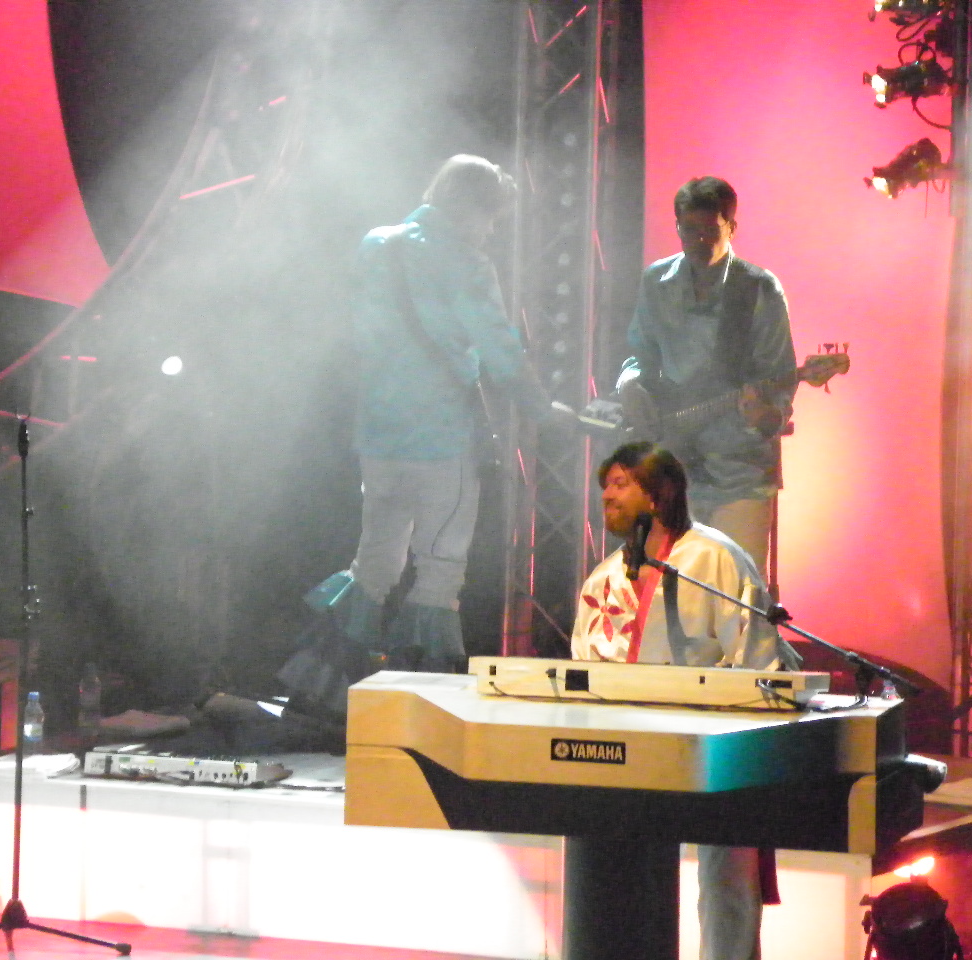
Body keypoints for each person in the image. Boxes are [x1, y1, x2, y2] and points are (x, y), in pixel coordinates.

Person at [324, 154, 560, 672]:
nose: (490, 231)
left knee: (374, 561)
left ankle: (333, 682)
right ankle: (419, 685)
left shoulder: (377, 244)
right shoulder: (467, 263)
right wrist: (540, 407)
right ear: (470, 208)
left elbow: (358, 335)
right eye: (490, 217)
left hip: (378, 436)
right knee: (440, 567)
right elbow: (498, 348)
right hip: (440, 438)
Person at [570, 440, 800, 960]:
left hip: (717, 750)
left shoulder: (713, 559)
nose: (606, 496)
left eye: (621, 483)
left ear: (659, 493)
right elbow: (585, 669)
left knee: (726, 882)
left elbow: (759, 659)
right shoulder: (604, 579)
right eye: (604, 485)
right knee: (624, 880)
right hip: (629, 754)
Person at [618, 176, 796, 573]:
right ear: (677, 226)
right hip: (673, 466)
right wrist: (629, 383)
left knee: (737, 591)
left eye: (710, 231)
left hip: (739, 469)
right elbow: (640, 353)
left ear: (732, 227)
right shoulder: (656, 282)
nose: (699, 241)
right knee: (669, 590)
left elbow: (780, 374)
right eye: (689, 230)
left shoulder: (760, 289)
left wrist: (765, 415)